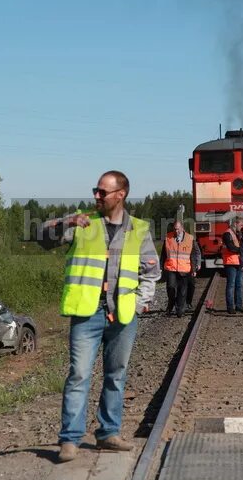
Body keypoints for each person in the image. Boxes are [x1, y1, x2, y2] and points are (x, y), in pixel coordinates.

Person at [39, 171, 161, 463]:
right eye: (96, 190)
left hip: (122, 313)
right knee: (79, 374)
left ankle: (108, 433)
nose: (96, 195)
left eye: (102, 192)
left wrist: (139, 303)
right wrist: (65, 221)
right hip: (87, 311)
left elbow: (151, 272)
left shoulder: (139, 229)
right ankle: (70, 439)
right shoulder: (81, 222)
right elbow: (42, 237)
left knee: (116, 375)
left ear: (121, 194)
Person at [160, 220, 201, 317]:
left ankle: (180, 309)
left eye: (178, 229)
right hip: (171, 268)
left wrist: (194, 269)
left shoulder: (190, 239)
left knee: (182, 291)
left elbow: (194, 254)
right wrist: (161, 267)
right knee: (170, 287)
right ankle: (171, 302)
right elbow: (163, 254)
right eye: (175, 229)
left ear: (182, 228)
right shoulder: (168, 238)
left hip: (184, 269)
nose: (176, 231)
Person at [221, 216, 243, 314]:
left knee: (239, 285)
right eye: (241, 225)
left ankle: (238, 305)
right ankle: (230, 307)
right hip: (230, 262)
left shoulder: (238, 234)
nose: (242, 227)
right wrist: (242, 250)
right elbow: (231, 248)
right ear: (235, 224)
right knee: (231, 285)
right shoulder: (227, 234)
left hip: (238, 262)